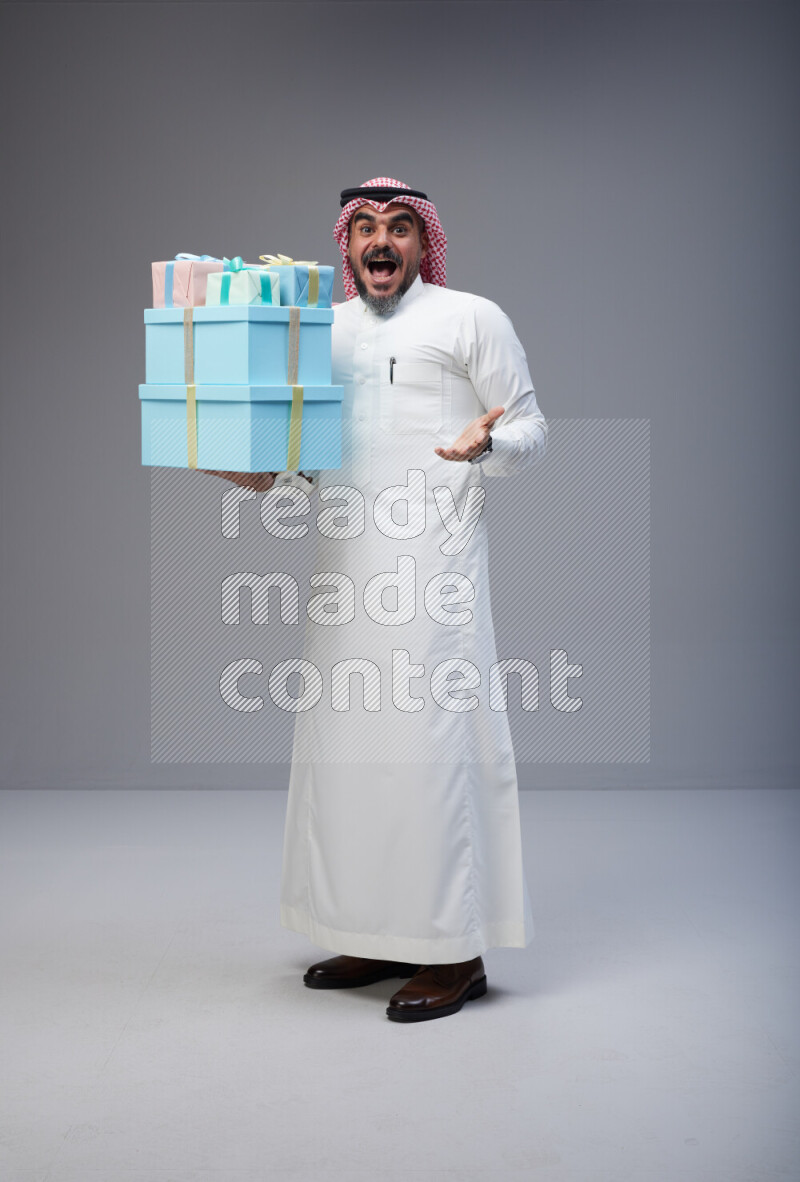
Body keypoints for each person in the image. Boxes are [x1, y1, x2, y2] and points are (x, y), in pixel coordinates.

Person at [203, 177, 547, 1022]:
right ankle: (373, 929)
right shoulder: (325, 331)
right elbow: (305, 455)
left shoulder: (472, 317)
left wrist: (487, 441)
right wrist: (245, 462)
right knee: (348, 754)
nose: (382, 242)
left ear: (423, 242)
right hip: (343, 571)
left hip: (433, 578)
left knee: (431, 754)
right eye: (365, 228)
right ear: (346, 244)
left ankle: (454, 952)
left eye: (399, 227)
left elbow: (533, 430)